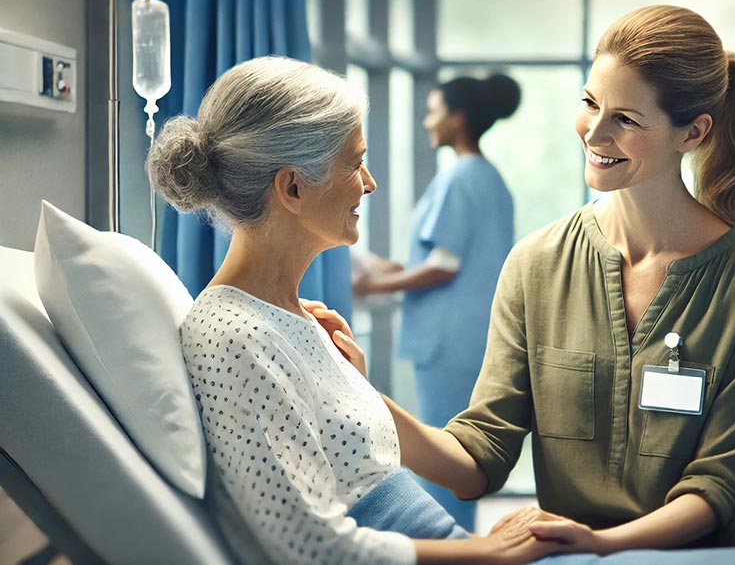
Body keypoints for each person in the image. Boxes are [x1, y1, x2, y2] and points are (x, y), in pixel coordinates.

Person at [376, 5, 735, 559]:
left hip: (702, 553)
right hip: (577, 552)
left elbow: (715, 489)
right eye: (590, 103)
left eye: (626, 118)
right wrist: (363, 402)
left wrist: (603, 543)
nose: (594, 132)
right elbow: (479, 460)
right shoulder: (536, 264)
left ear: (692, 132)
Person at [146, 55, 559, 565]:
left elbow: (371, 462)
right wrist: (487, 552)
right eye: (354, 161)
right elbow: (310, 547)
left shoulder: (299, 320)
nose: (369, 183)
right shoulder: (233, 337)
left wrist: (356, 389)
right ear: (292, 187)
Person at [352, 74, 520, 530]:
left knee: (447, 457)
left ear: (458, 117)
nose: (427, 120)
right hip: (469, 335)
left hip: (448, 341)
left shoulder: (460, 177)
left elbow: (443, 267)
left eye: (434, 110)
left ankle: (451, 549)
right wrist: (386, 269)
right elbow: (439, 258)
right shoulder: (487, 179)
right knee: (458, 453)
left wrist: (372, 288)